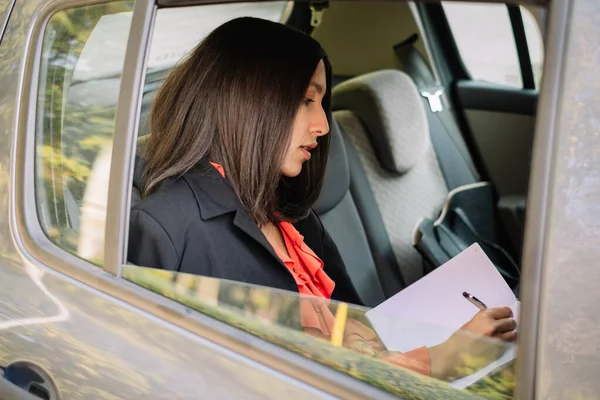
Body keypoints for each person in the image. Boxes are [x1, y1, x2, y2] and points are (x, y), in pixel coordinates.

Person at [128, 17, 516, 381]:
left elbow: (352, 335)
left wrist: (448, 344)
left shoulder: (290, 216)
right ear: (245, 103)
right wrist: (443, 358)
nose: (324, 125)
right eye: (304, 100)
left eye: (321, 102)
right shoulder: (168, 229)